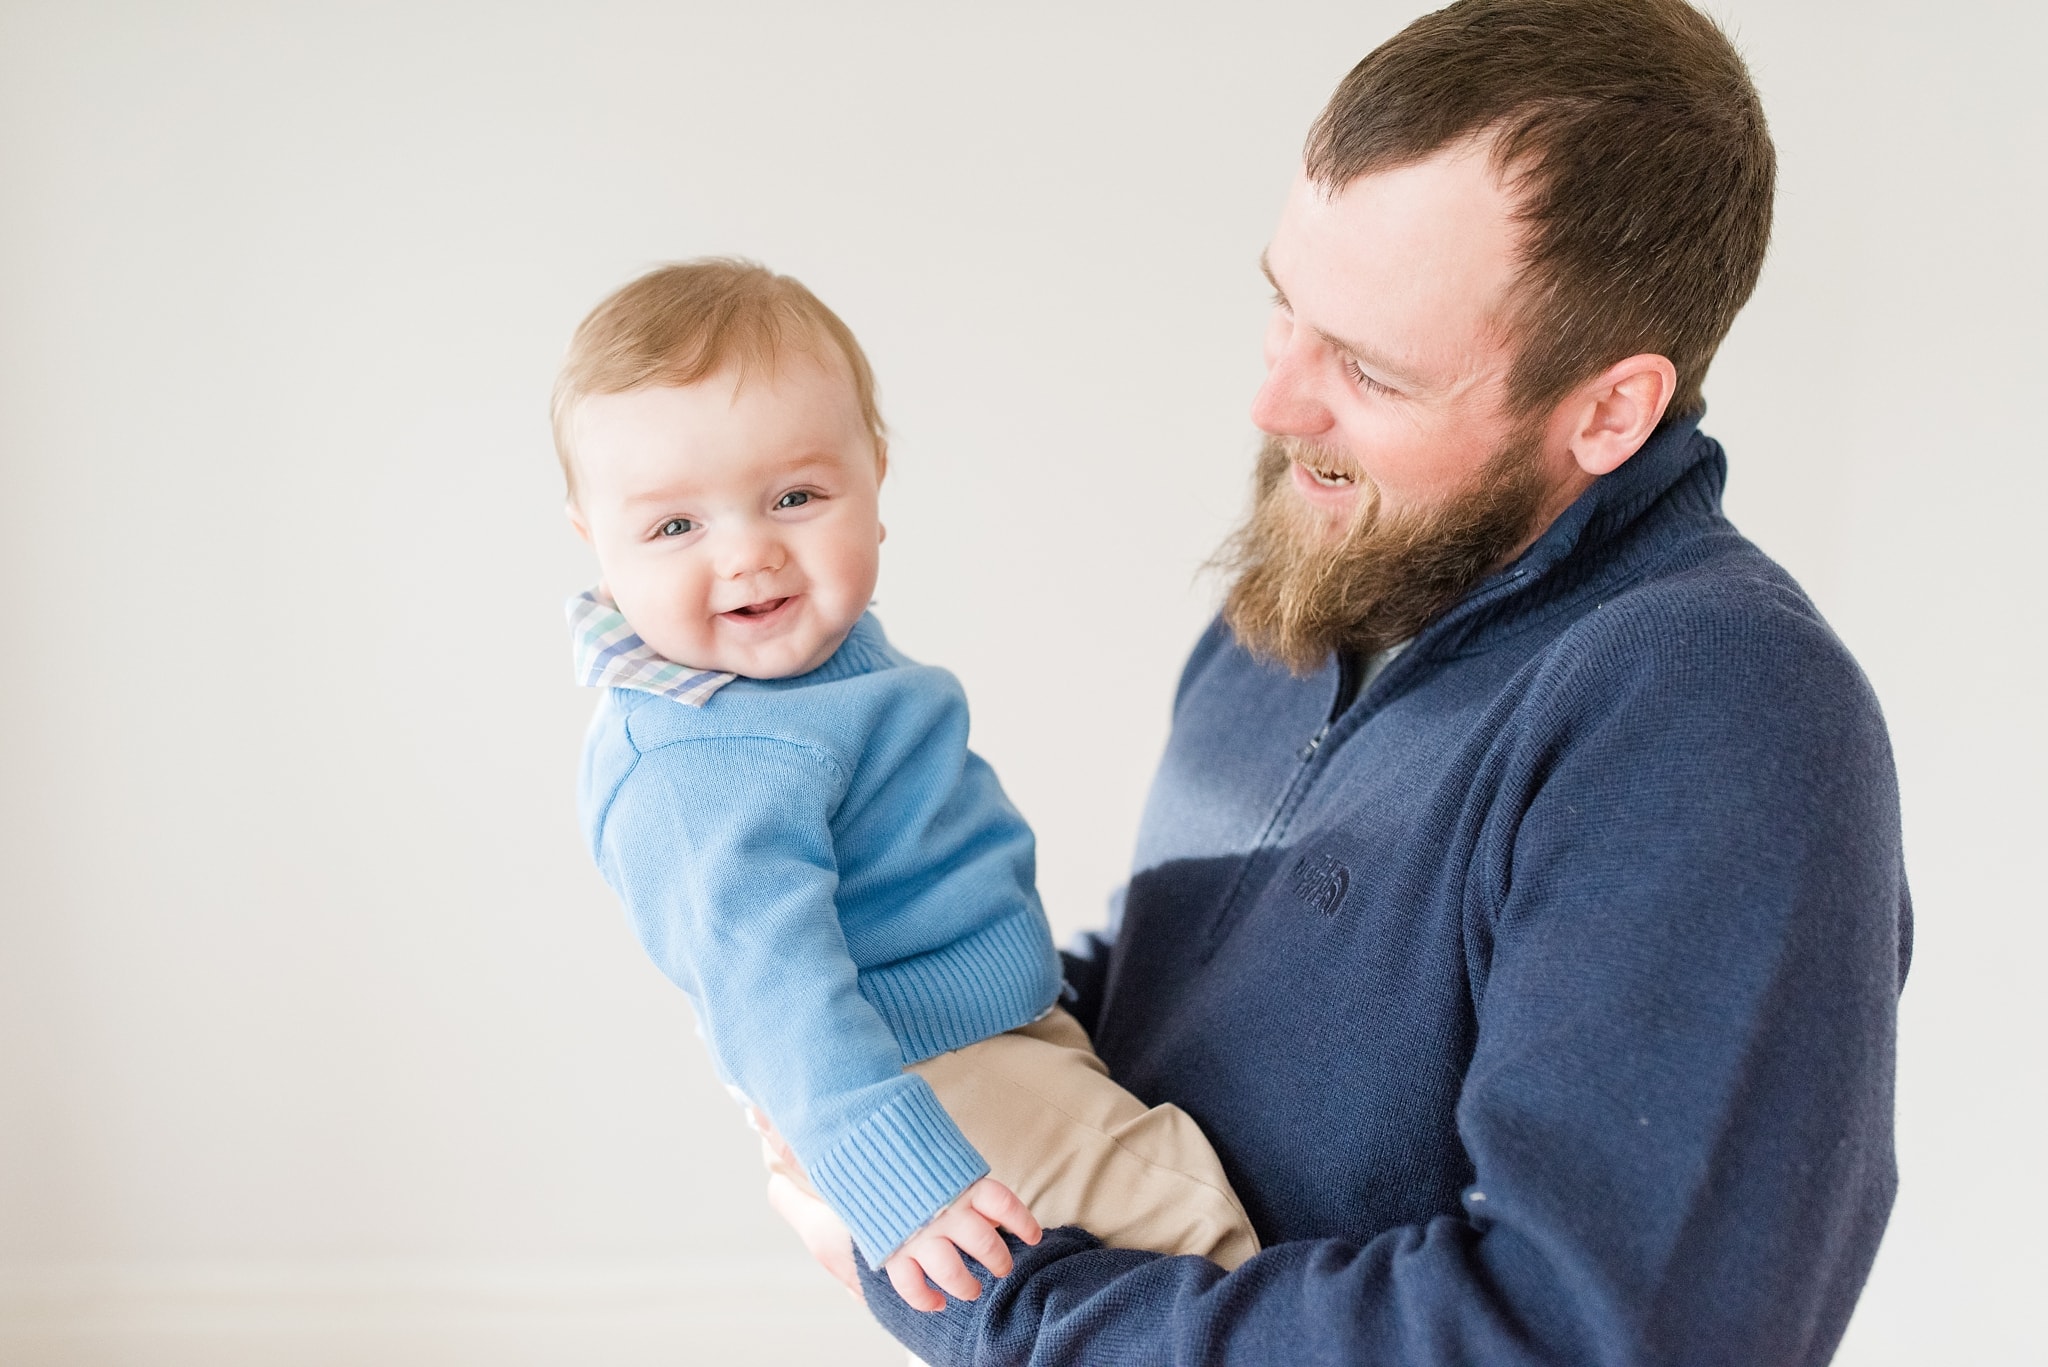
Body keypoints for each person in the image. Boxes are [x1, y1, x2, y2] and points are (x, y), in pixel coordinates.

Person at [764, 1, 1911, 1363]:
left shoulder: (1716, 703)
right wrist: (874, 1046)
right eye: (1283, 310)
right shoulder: (1321, 585)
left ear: (1609, 409)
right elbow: (1177, 1021)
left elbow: (1596, 1334)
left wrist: (992, 1304)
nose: (1279, 402)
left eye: (1368, 369)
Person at [555, 261, 1260, 1313]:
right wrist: (897, 1175)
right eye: (674, 527)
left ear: (873, 478)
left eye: (794, 497)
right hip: (919, 1073)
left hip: (986, 1031)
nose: (748, 554)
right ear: (596, 547)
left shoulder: (798, 669)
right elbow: (767, 990)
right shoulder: (695, 758)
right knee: (1187, 1215)